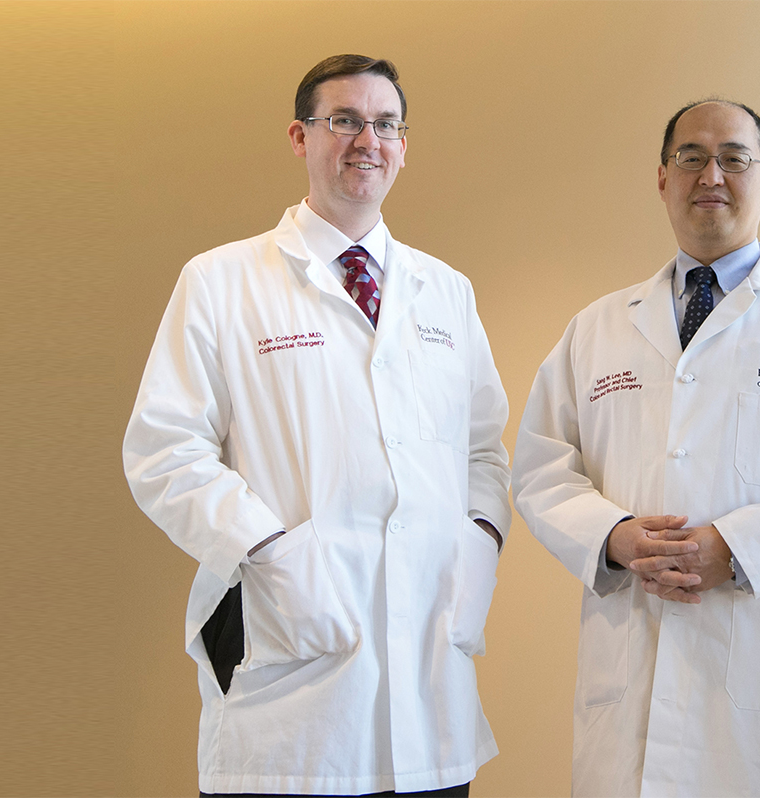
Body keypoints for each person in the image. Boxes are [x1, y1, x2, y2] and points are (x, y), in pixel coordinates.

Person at [121, 54, 510, 797]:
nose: (368, 139)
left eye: (386, 124)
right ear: (300, 138)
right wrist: (272, 555)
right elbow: (163, 451)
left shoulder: (446, 292)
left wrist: (479, 548)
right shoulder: (223, 280)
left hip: (429, 690)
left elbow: (484, 453)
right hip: (292, 687)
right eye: (345, 121)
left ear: (403, 144)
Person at [510, 99, 760, 797]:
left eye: (734, 157)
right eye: (690, 157)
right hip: (631, 666)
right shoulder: (597, 328)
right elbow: (541, 468)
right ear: (662, 179)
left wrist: (742, 547)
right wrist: (613, 537)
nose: (711, 174)